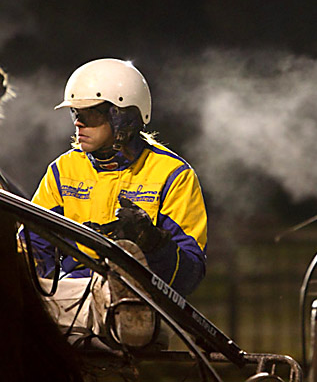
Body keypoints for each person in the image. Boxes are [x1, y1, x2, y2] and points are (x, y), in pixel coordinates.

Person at [21, 58, 207, 349]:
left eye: (90, 114)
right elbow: (33, 245)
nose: (79, 122)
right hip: (72, 299)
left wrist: (154, 243)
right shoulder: (62, 170)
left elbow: (189, 276)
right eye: (75, 113)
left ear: (123, 117)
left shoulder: (173, 175)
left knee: (113, 299)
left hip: (141, 304)